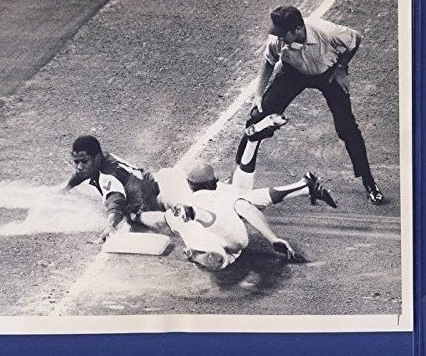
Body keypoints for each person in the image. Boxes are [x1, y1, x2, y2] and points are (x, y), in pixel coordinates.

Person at [235, 5, 383, 204]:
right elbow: (268, 64)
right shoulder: (277, 41)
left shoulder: (327, 32)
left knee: (347, 128)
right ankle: (237, 175)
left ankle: (369, 182)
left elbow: (356, 38)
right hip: (293, 74)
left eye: (282, 33)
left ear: (297, 29)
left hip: (328, 74)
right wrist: (259, 96)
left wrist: (341, 68)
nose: (278, 37)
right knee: (256, 120)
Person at [163, 115, 337, 271]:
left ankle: (304, 185)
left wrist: (273, 239)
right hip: (215, 210)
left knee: (244, 196)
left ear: (189, 184)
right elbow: (247, 210)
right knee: (243, 194)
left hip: (207, 217)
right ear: (214, 182)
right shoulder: (220, 193)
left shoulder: (187, 197)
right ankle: (257, 146)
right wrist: (272, 238)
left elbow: (246, 210)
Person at [63, 135, 192, 241]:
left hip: (147, 202)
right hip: (152, 182)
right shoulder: (102, 157)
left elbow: (115, 201)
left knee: (137, 220)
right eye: (76, 162)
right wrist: (66, 188)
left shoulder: (108, 175)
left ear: (97, 158)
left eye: (84, 161)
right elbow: (82, 172)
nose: (79, 166)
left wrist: (110, 225)